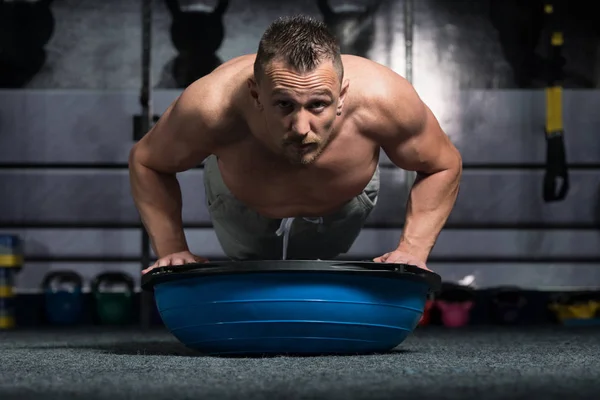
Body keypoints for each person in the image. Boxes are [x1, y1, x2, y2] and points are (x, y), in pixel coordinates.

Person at [129, 15, 462, 274]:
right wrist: (171, 248)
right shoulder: (211, 106)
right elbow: (148, 161)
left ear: (342, 95)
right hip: (241, 206)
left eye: (318, 104)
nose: (302, 129)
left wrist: (413, 250)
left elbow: (442, 164)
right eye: (284, 105)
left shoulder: (385, 99)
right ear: (256, 94)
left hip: (343, 206)